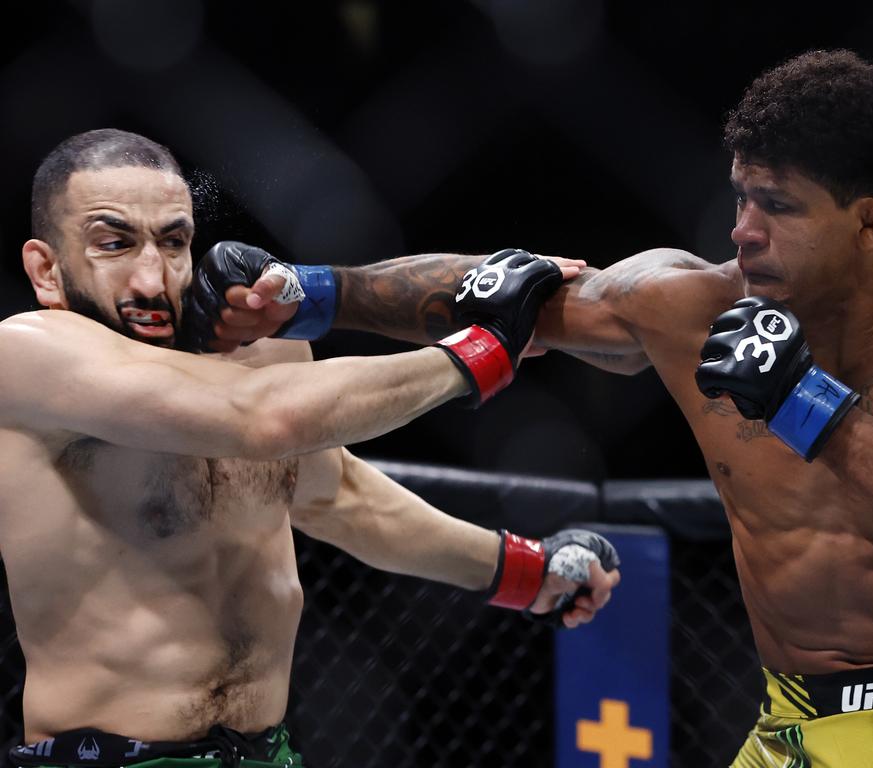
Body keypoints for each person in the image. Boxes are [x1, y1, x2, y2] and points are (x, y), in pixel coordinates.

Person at [193, 49, 873, 767]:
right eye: (740, 197)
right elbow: (497, 292)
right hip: (797, 725)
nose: (742, 231)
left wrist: (811, 409)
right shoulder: (692, 306)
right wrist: (309, 295)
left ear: (871, 223)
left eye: (777, 205)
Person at [0, 128, 622, 768]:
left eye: (174, 241)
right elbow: (261, 418)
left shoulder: (261, 352)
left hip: (268, 753)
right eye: (114, 244)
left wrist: (526, 572)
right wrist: (483, 348)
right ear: (47, 269)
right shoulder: (28, 354)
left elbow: (340, 498)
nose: (154, 278)